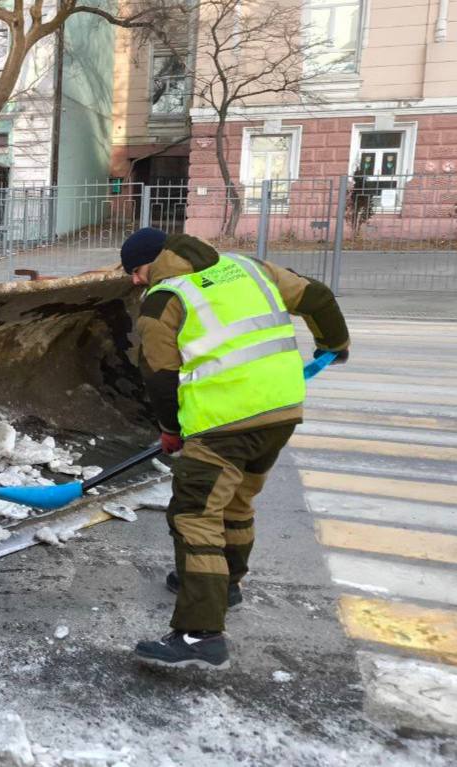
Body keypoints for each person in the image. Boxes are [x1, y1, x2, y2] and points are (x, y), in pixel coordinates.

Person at [121, 228, 350, 670]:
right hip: (281, 411)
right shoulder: (247, 267)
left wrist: (171, 429)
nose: (134, 280)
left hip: (223, 423)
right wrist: (334, 346)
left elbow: (159, 376)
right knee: (236, 503)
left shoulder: (164, 299)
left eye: (135, 271)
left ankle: (199, 634)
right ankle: (225, 585)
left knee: (195, 515)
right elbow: (317, 297)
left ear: (155, 262)